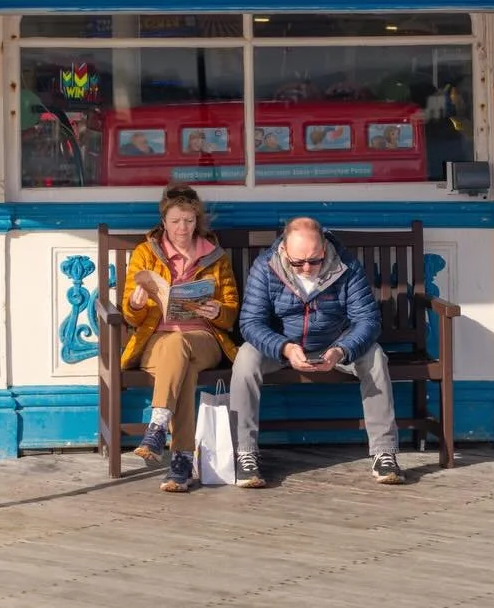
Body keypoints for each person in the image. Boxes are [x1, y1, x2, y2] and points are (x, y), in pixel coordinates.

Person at [230, 216, 405, 488]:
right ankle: (245, 453)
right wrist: (285, 348)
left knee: (375, 358)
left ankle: (384, 452)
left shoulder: (346, 266)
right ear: (284, 251)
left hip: (334, 342)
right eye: (297, 262)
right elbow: (251, 323)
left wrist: (341, 350)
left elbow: (367, 320)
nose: (307, 268)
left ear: (324, 248)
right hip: (282, 345)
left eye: (314, 260)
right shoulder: (265, 267)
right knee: (244, 359)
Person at [121, 181, 240, 493]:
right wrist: (135, 304)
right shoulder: (146, 253)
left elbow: (231, 312)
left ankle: (160, 427)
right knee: (180, 363)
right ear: (164, 222)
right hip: (156, 340)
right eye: (175, 221)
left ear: (196, 221)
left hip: (204, 338)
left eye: (188, 221)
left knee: (181, 347)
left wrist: (218, 312)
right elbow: (130, 314)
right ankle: (181, 461)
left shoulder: (215, 255)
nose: (182, 228)